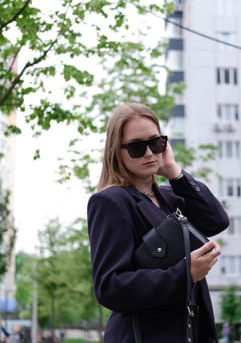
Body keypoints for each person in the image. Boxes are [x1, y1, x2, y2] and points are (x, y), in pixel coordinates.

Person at [87, 103, 229, 342]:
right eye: (137, 147)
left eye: (156, 143)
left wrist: (174, 171)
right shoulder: (111, 201)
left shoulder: (170, 197)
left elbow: (216, 220)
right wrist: (185, 274)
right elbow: (110, 287)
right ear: (116, 151)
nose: (149, 153)